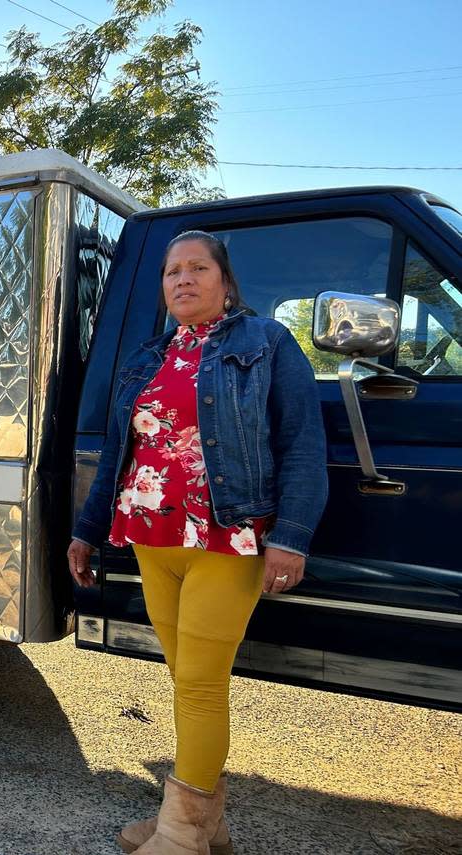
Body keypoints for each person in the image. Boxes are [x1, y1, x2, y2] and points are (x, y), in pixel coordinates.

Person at [67, 231, 328, 854]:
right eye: (171, 271)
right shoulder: (147, 358)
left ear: (225, 281)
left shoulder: (266, 343)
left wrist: (290, 538)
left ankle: (181, 835)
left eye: (197, 268)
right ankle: (202, 823)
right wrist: (86, 529)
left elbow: (303, 447)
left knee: (203, 683)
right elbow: (117, 456)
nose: (182, 279)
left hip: (225, 540)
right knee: (184, 677)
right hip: (151, 539)